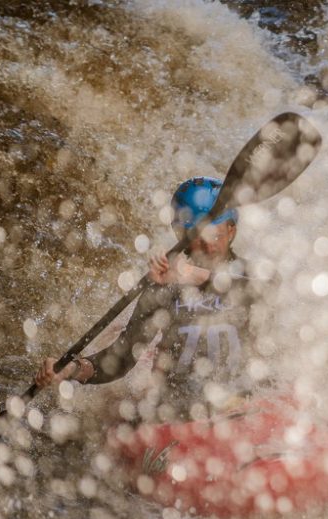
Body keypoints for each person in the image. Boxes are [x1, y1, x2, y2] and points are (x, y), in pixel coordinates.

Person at [34, 176, 264, 420]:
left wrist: (194, 276)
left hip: (241, 405)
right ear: (181, 234)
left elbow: (264, 292)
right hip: (181, 413)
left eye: (215, 236)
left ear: (231, 231)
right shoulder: (163, 285)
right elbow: (122, 358)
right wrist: (71, 369)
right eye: (198, 237)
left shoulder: (254, 278)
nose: (208, 247)